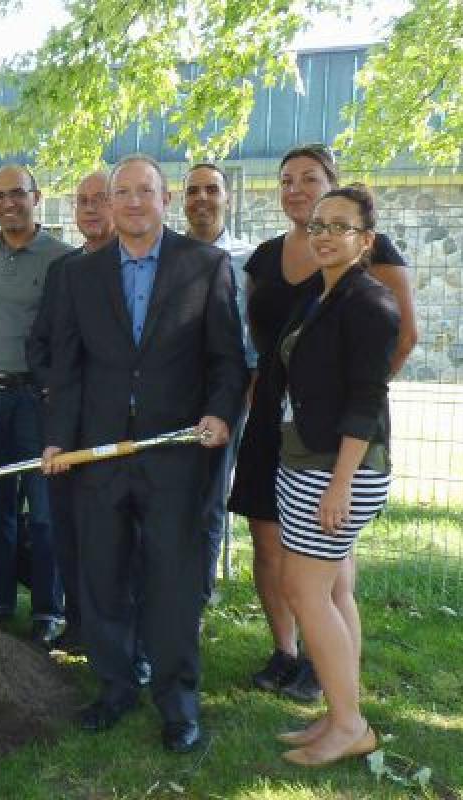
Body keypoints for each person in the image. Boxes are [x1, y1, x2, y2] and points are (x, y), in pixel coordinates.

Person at [42, 155, 246, 753]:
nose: (132, 202)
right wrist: (58, 437)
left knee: (173, 583)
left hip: (175, 453)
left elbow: (227, 361)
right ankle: (114, 687)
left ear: (164, 200)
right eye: (121, 192)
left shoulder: (205, 267)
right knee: (102, 575)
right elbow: (68, 367)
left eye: (145, 191)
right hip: (99, 455)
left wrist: (220, 414)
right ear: (108, 202)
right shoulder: (81, 275)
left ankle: (178, 704)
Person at [228, 144, 416, 703]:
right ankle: (286, 652)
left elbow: (398, 339)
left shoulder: (368, 257)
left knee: (324, 561)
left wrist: (342, 403)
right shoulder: (266, 257)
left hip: (332, 435)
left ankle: (327, 669)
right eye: (285, 181)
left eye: (309, 179)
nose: (295, 189)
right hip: (272, 420)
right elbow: (267, 345)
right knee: (269, 539)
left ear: (333, 185)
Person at [272, 185, 395, 766]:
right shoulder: (323, 296)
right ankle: (342, 711)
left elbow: (366, 400)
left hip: (338, 470)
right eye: (319, 225)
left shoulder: (369, 303)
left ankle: (350, 724)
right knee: (333, 589)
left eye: (340, 227)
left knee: (305, 590)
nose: (324, 234)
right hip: (310, 464)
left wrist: (340, 484)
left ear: (365, 240)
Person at [0, 164, 73, 649]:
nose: (7, 203)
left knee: (46, 510)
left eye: (16, 194)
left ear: (36, 196)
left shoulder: (63, 259)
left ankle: (50, 609)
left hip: (37, 399)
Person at [26, 169, 115, 645]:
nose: (90, 209)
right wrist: (51, 388)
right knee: (67, 525)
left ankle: (120, 634)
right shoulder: (64, 269)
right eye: (82, 201)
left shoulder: (134, 267)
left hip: (116, 427)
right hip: (63, 423)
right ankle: (78, 625)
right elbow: (40, 342)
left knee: (115, 534)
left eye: (100, 199)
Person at [182, 163, 256, 603]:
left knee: (210, 495)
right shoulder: (167, 255)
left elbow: (257, 333)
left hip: (226, 392)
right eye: (194, 191)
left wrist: (242, 396)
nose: (202, 199)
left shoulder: (249, 260)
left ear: (227, 198)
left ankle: (200, 588)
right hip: (172, 393)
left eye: (212, 190)